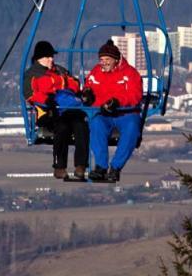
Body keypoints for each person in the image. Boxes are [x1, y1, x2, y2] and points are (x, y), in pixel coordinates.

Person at [23, 40, 90, 181]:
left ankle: (81, 166)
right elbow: (29, 94)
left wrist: (69, 92)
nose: (51, 60)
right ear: (39, 58)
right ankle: (59, 167)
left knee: (81, 126)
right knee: (62, 128)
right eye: (48, 57)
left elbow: (74, 83)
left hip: (66, 107)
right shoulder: (32, 74)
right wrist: (47, 100)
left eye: (52, 57)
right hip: (49, 112)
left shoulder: (59, 70)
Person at [82, 40, 143, 182]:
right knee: (96, 124)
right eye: (101, 60)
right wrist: (87, 94)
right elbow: (88, 86)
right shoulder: (96, 72)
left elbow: (135, 95)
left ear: (116, 60)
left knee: (132, 129)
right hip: (104, 113)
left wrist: (117, 101)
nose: (104, 63)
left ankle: (115, 167)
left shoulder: (130, 73)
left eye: (107, 60)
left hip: (125, 112)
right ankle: (101, 167)